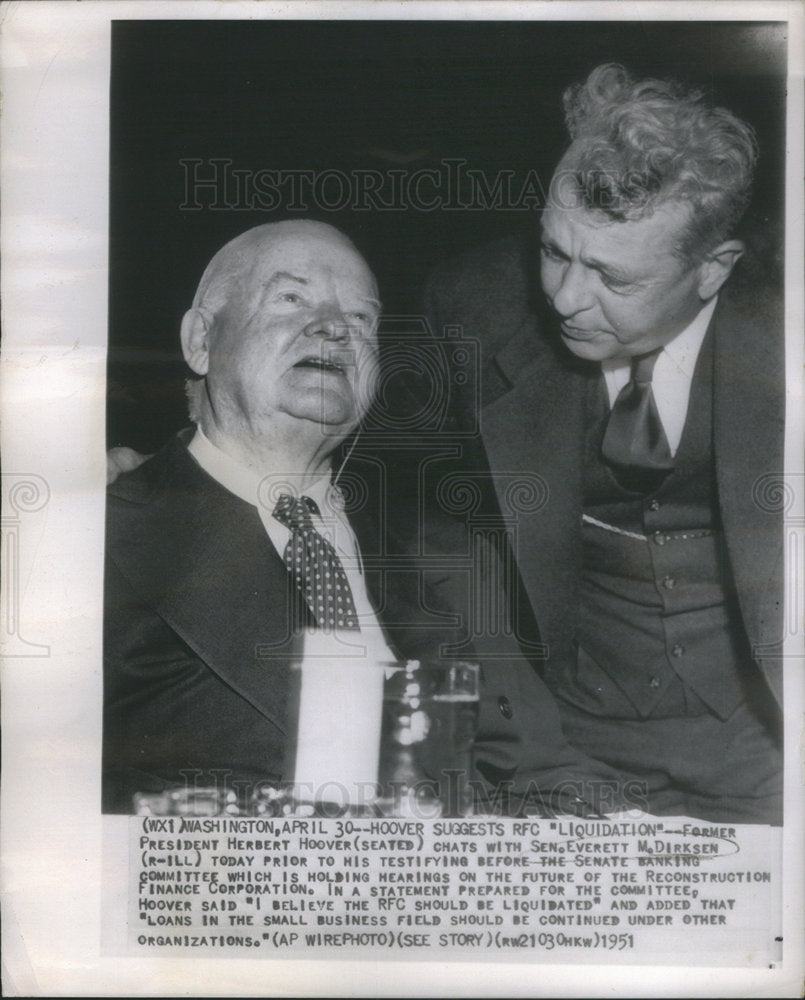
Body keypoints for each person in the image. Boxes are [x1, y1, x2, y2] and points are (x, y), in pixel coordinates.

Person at [103, 219, 622, 815]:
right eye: (290, 298)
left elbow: (544, 771)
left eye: (361, 319)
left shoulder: (447, 550)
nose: (333, 328)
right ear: (200, 340)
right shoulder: (94, 536)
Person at [425, 64, 785, 824]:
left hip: (775, 749)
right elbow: (454, 567)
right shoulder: (471, 311)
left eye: (611, 279)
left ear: (712, 270)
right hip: (561, 746)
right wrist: (550, 771)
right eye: (555, 251)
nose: (561, 298)